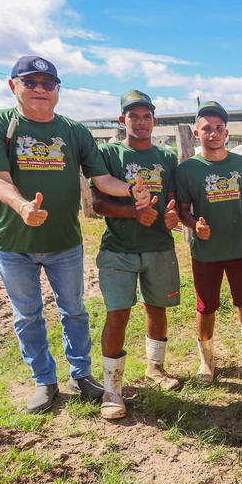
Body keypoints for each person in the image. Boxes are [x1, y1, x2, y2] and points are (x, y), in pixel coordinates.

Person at [0, 56, 151, 413]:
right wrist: (24, 207)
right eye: (31, 82)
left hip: (63, 241)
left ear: (57, 90)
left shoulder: (73, 132)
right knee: (27, 314)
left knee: (74, 311)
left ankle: (81, 374)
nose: (40, 89)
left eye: (48, 83)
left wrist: (132, 188)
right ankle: (44, 380)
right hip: (12, 242)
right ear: (14, 86)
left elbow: (102, 181)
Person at [90, 90, 181, 420]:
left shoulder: (167, 157)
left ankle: (155, 369)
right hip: (118, 249)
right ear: (122, 120)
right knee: (118, 313)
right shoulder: (109, 154)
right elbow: (98, 204)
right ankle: (113, 390)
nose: (140, 122)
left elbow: (172, 200)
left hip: (158, 247)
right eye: (133, 116)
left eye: (146, 116)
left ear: (154, 121)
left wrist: (172, 216)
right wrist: (132, 213)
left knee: (157, 308)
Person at [175, 101, 242, 385]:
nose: (213, 133)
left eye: (218, 128)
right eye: (206, 128)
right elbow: (183, 209)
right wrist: (194, 224)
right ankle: (206, 361)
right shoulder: (188, 169)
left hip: (240, 249)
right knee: (206, 306)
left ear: (227, 132)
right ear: (197, 133)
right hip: (206, 251)